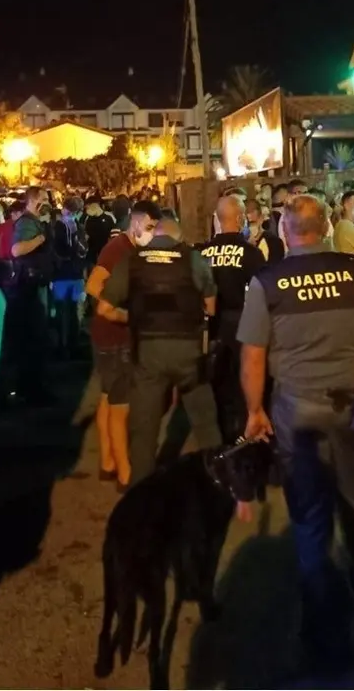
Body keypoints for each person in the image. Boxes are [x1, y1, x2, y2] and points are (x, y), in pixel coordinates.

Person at [236, 193, 354, 672]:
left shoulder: (267, 282)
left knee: (312, 523)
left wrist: (254, 410)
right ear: (323, 228)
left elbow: (253, 356)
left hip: (297, 414)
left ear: (284, 231)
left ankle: (324, 635)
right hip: (353, 410)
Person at [98, 213, 222, 486]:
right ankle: (217, 484)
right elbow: (211, 308)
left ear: (155, 236)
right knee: (206, 425)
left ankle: (141, 494)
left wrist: (132, 318)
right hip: (188, 353)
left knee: (144, 432)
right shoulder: (194, 260)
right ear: (179, 238)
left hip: (149, 354)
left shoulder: (132, 262)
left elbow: (104, 309)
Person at [85, 201, 161, 490]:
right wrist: (120, 309)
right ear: (136, 223)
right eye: (150, 227)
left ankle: (108, 462)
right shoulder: (117, 249)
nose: (153, 233)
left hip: (111, 336)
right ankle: (126, 475)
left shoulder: (131, 249)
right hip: (113, 337)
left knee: (108, 397)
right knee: (121, 404)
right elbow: (93, 285)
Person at [199, 194, 265, 441]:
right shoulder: (250, 253)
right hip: (243, 325)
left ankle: (222, 436)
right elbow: (263, 292)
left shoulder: (203, 252)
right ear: (239, 219)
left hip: (212, 326)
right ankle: (244, 434)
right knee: (244, 381)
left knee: (218, 381)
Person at [11, 186, 56, 404]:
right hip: (28, 290)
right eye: (44, 198)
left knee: (39, 340)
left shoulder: (37, 221)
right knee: (34, 340)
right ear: (34, 200)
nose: (48, 201)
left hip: (37, 286)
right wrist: (39, 239)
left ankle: (35, 387)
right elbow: (17, 250)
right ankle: (31, 390)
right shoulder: (27, 223)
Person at [51, 197, 87, 357]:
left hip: (60, 276)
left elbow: (55, 251)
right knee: (74, 312)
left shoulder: (56, 226)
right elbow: (83, 250)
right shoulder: (78, 226)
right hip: (76, 274)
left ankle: (62, 346)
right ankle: (74, 345)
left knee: (61, 311)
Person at [245, 198, 284, 263]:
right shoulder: (239, 243)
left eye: (253, 223)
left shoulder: (274, 242)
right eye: (247, 224)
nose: (250, 227)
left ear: (261, 219)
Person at [84, 197, 115, 273]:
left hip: (105, 253)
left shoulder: (108, 217)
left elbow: (113, 235)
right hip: (92, 255)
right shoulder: (88, 219)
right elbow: (86, 235)